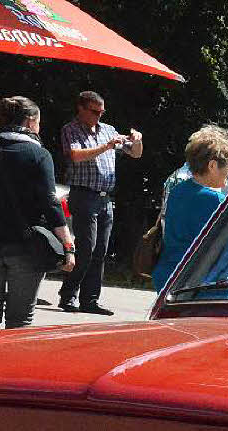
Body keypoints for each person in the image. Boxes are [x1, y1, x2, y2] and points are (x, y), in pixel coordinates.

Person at [59, 90, 142, 315]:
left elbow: (135, 154)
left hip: (105, 198)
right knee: (86, 248)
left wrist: (137, 141)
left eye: (102, 112)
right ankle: (68, 295)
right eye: (94, 112)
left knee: (101, 251)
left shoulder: (108, 130)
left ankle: (90, 299)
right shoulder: (71, 129)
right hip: (83, 194)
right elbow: (75, 155)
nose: (99, 116)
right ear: (81, 109)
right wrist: (106, 147)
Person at [0, 96, 75, 328]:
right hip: (24, 245)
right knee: (19, 322)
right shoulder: (38, 155)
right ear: (31, 121)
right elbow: (50, 203)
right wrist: (68, 246)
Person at [151, 126, 228, 291]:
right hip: (204, 287)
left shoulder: (177, 191)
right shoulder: (215, 200)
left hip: (169, 277)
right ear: (212, 165)